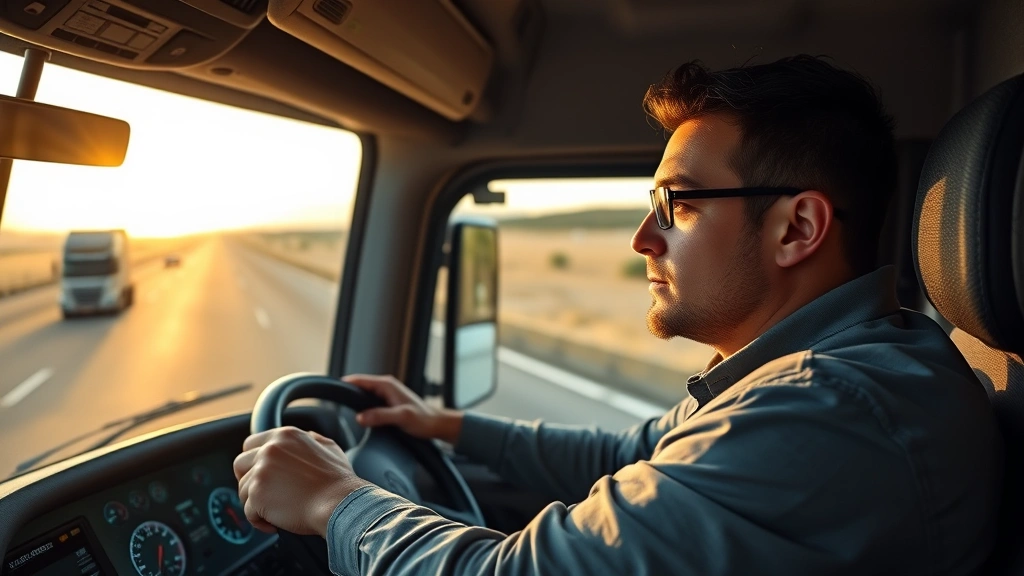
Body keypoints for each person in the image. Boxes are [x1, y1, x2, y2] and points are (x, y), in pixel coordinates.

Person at [232, 55, 1001, 575]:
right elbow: (638, 450)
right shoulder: (839, 369)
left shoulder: (832, 408)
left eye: (677, 205)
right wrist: (449, 427)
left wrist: (335, 500)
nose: (643, 239)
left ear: (796, 229)